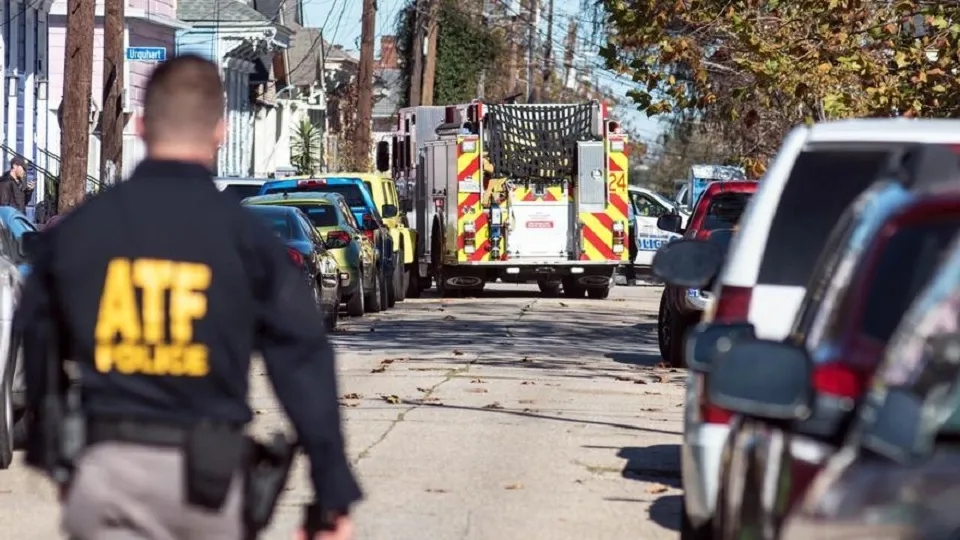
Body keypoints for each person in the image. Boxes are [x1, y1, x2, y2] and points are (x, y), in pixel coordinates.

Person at [17, 54, 361, 540]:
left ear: (140, 125)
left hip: (105, 473)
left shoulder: (79, 233)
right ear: (219, 132)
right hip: (208, 484)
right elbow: (302, 359)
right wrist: (331, 489)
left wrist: (54, 454)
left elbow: (35, 334)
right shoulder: (249, 241)